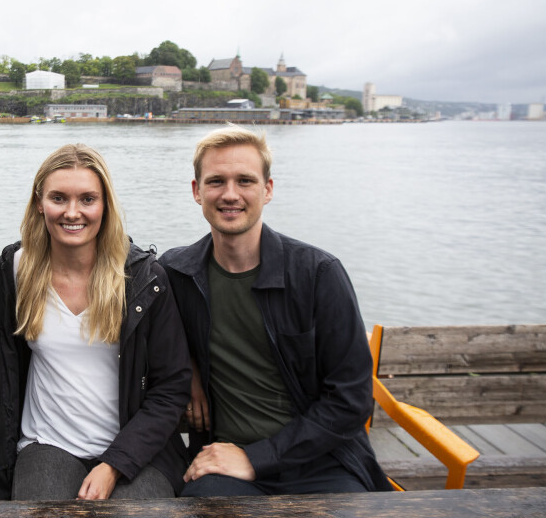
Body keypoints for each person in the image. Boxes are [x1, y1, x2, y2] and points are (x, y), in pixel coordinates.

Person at [159, 125, 392, 496]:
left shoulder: (318, 274)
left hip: (321, 462)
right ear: (196, 191)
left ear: (267, 190)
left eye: (245, 181)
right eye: (216, 181)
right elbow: (153, 332)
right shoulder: (176, 273)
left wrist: (258, 458)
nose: (230, 194)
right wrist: (190, 370)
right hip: (222, 462)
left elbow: (351, 399)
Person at [0, 143, 191, 500]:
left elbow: (171, 387)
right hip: (47, 444)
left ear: (105, 205)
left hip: (136, 449)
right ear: (39, 202)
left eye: (87, 199)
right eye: (58, 198)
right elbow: (3, 350)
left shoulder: (141, 279)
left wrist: (116, 463)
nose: (72, 212)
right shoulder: (14, 271)